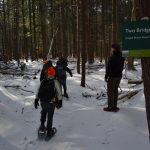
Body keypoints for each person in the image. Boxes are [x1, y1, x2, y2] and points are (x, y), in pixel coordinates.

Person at [34, 66, 62, 139]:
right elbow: (59, 93)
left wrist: (36, 99)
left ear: (48, 73)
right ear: (54, 74)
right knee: (50, 116)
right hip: (51, 102)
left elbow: (38, 90)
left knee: (43, 112)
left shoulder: (43, 81)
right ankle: (49, 131)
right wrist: (60, 101)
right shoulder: (55, 82)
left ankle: (42, 126)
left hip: (42, 102)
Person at [103, 43, 125, 112]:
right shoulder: (122, 56)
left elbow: (109, 68)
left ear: (114, 49)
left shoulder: (113, 57)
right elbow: (121, 66)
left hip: (112, 77)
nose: (111, 49)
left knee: (110, 92)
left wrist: (106, 76)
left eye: (111, 48)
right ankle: (114, 106)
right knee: (115, 91)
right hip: (119, 76)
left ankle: (110, 107)